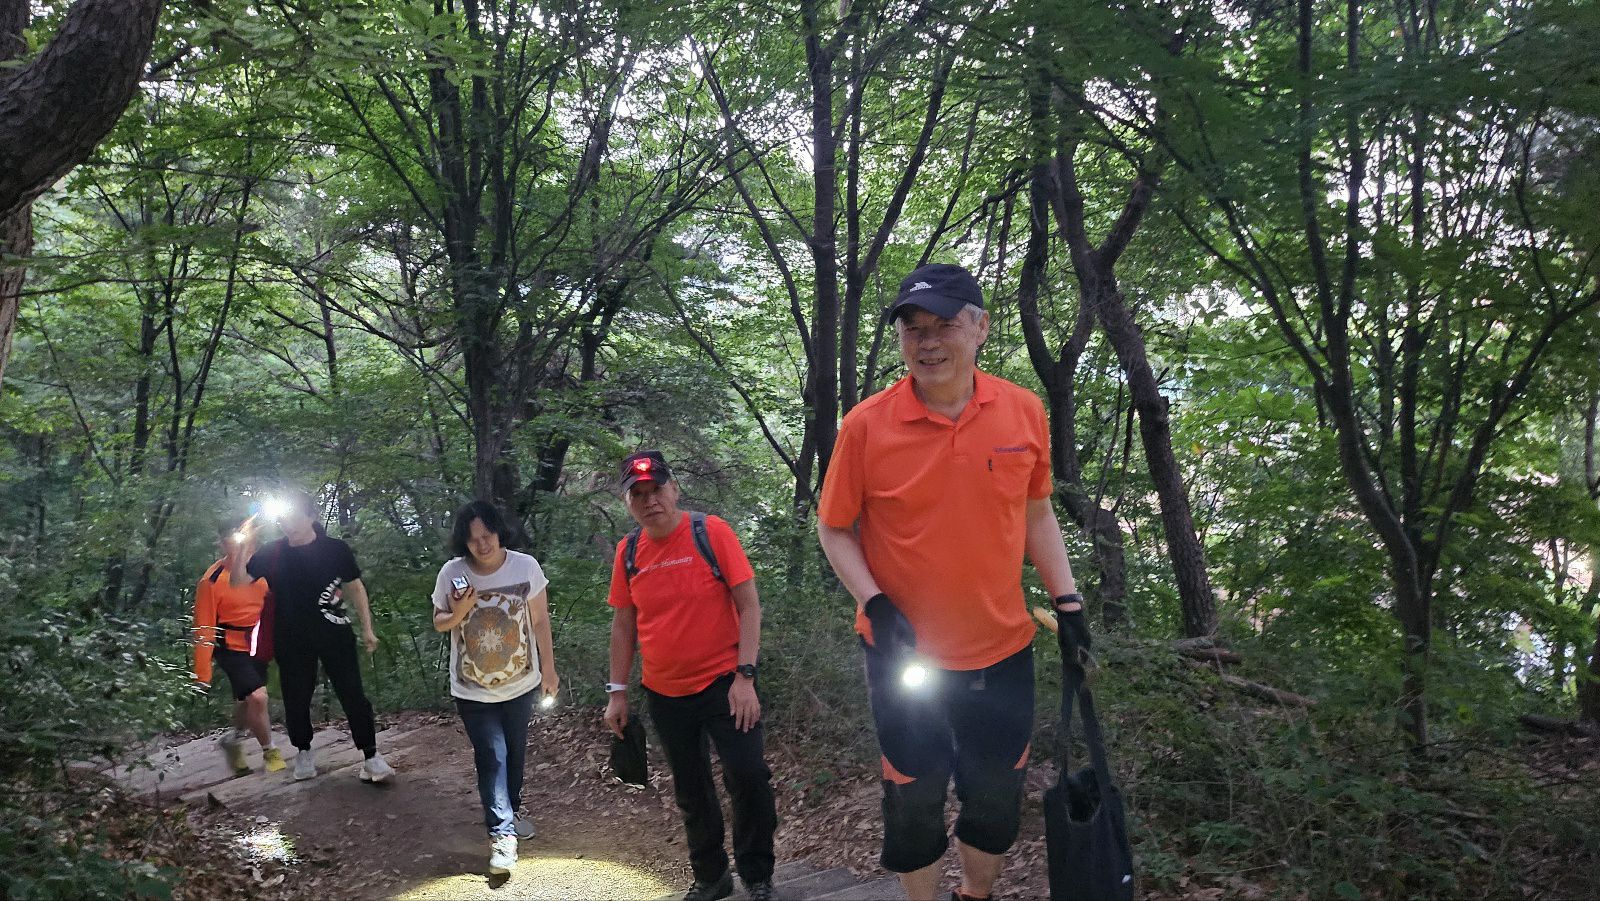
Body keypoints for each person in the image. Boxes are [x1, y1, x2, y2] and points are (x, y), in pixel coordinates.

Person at [816, 263, 1088, 901]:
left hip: (1003, 648)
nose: (927, 342)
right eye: (913, 329)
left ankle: (974, 894)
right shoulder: (867, 425)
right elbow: (834, 528)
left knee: (995, 796)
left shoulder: (1022, 410)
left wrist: (1069, 602)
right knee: (914, 798)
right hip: (903, 654)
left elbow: (1036, 512)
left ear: (981, 328)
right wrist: (874, 602)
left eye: (943, 325)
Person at [602, 451, 778, 901]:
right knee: (690, 787)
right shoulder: (628, 552)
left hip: (725, 683)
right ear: (628, 503)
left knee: (748, 776)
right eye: (638, 494)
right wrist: (617, 692)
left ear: (675, 489)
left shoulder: (711, 532)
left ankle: (757, 874)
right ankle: (712, 876)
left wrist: (746, 677)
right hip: (664, 691)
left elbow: (749, 606)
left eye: (656, 489)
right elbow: (624, 625)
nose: (650, 500)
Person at [431, 500, 560, 876]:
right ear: (464, 542)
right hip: (472, 689)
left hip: (521, 683)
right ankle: (501, 835)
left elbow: (540, 621)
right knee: (493, 756)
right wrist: (459, 610)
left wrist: (550, 670)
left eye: (487, 535)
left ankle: (512, 809)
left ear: (499, 532)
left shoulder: (525, 567)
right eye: (473, 539)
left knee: (515, 754)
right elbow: (439, 621)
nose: (482, 544)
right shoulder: (452, 573)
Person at [247, 489, 394, 783]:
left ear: (311, 516)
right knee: (296, 696)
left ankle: (371, 755)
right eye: (283, 520)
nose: (288, 525)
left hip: (334, 630)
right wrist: (243, 544)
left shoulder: (335, 549)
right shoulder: (272, 553)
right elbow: (241, 581)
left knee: (352, 693)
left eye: (294, 518)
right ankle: (303, 751)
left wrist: (367, 628)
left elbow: (355, 587)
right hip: (290, 637)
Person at [193, 515, 285, 776]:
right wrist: (202, 673)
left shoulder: (262, 570)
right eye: (233, 538)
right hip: (230, 648)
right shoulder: (212, 580)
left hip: (258, 643)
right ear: (222, 543)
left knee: (247, 701)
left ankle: (233, 740)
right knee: (258, 696)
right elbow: (204, 627)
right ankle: (270, 751)